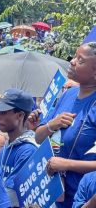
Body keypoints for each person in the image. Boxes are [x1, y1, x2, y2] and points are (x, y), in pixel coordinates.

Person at [35, 42, 96, 207]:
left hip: (84, 198)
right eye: (75, 56)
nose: (72, 61)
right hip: (54, 192)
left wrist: (67, 164)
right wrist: (51, 125)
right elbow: (38, 137)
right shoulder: (67, 94)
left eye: (80, 60)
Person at [0, 88, 38, 207]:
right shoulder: (7, 145)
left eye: (4, 112)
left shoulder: (28, 149)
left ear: (20, 115)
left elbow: (11, 194)